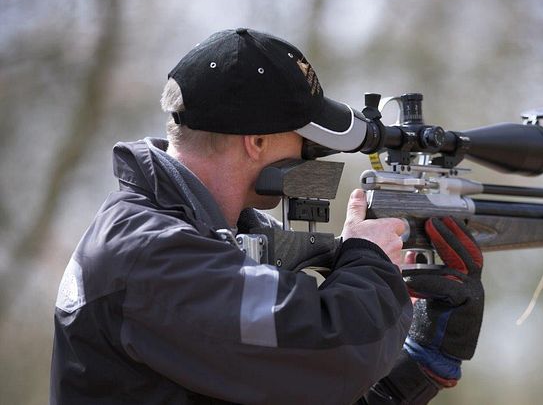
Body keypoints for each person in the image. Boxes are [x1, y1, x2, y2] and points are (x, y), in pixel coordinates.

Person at [50, 28, 484, 404]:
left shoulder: (193, 237)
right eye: (303, 140)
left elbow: (300, 389)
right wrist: (370, 263)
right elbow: (330, 357)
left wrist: (421, 363)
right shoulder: (150, 252)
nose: (306, 156)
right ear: (255, 141)